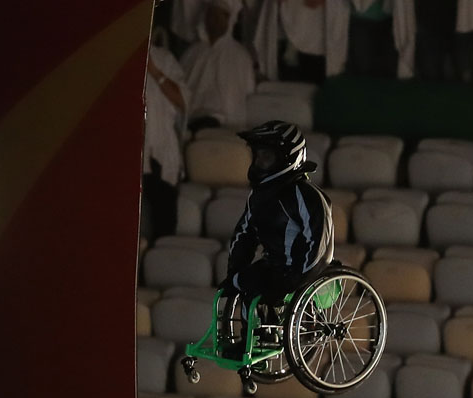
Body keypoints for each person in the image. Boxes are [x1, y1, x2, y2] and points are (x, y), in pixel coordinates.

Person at [219, 120, 334, 357]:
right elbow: (244, 234)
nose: (260, 163)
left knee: (266, 286)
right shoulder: (259, 197)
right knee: (243, 281)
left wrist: (296, 280)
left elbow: (319, 242)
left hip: (301, 270)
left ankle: (299, 326)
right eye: (258, 156)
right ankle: (252, 336)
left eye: (267, 157)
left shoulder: (305, 195)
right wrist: (234, 272)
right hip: (275, 265)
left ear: (286, 158)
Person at [180, 0, 256, 131]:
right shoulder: (191, 54)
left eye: (220, 16)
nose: (214, 21)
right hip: (193, 123)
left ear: (229, 20)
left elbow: (249, 93)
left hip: (228, 128)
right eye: (211, 16)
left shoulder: (241, 56)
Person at [142, 42, 189, 240]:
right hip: (126, 152)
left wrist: (153, 70)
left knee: (164, 222)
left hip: (161, 151)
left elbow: (183, 100)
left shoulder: (165, 58)